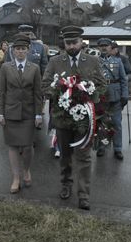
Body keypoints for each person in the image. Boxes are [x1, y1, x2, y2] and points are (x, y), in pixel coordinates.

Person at [42, 26, 106, 210]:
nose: (71, 46)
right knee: (65, 156)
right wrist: (60, 92)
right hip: (62, 118)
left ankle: (84, 195)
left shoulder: (92, 61)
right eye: (67, 43)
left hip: (84, 120)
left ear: (81, 42)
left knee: (84, 157)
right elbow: (45, 85)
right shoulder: (55, 61)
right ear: (63, 43)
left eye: (74, 42)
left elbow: (102, 85)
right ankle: (66, 183)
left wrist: (90, 95)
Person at [0, 34, 42, 194]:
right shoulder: (5, 68)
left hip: (29, 113)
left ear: (28, 50)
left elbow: (37, 93)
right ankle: (16, 178)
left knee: (28, 146)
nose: (20, 52)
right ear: (13, 51)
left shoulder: (34, 68)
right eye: (17, 49)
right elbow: (1, 92)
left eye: (23, 49)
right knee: (13, 146)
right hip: (11, 113)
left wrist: (38, 114)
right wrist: (0, 113)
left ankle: (26, 170)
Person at [96, 38, 128, 160]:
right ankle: (101, 146)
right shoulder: (95, 61)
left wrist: (125, 95)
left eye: (106, 45)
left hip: (115, 96)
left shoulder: (118, 61)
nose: (104, 47)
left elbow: (123, 80)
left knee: (116, 123)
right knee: (101, 123)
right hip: (100, 97)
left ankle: (118, 148)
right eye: (101, 46)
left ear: (111, 47)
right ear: (98, 47)